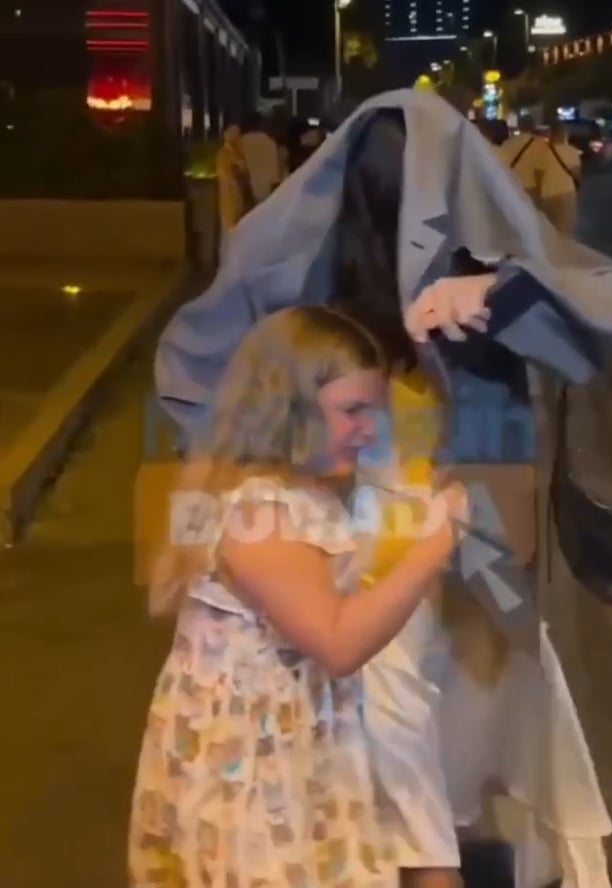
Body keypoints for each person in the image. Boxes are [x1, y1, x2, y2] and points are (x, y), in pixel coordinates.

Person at [154, 90, 612, 888]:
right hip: (377, 550)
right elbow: (212, 387)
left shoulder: (467, 270)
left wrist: (495, 292)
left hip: (452, 535)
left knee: (465, 718)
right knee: (395, 731)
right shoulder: (296, 279)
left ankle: (436, 850)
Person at [129, 305, 469, 888]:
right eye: (352, 411)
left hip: (283, 742)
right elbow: (337, 643)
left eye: (374, 411)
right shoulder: (258, 511)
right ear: (286, 408)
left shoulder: (288, 490)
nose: (370, 431)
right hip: (253, 770)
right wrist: (435, 544)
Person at [539, 121, 581, 237]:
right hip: (566, 193)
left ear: (551, 134)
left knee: (548, 232)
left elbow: (538, 173)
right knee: (565, 232)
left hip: (547, 194)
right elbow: (577, 174)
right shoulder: (571, 151)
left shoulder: (543, 152)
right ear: (564, 135)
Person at [216, 125, 254, 249]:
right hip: (231, 199)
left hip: (239, 199)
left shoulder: (238, 154)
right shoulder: (224, 155)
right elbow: (230, 176)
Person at [498, 114, 547, 203]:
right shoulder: (539, 144)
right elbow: (539, 172)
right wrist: (539, 193)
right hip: (529, 189)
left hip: (511, 187)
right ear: (533, 126)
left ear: (519, 126)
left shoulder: (507, 143)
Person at [240, 112, 284, 204]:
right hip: (267, 193)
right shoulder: (270, 143)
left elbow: (241, 170)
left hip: (247, 194)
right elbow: (276, 174)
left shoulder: (240, 143)